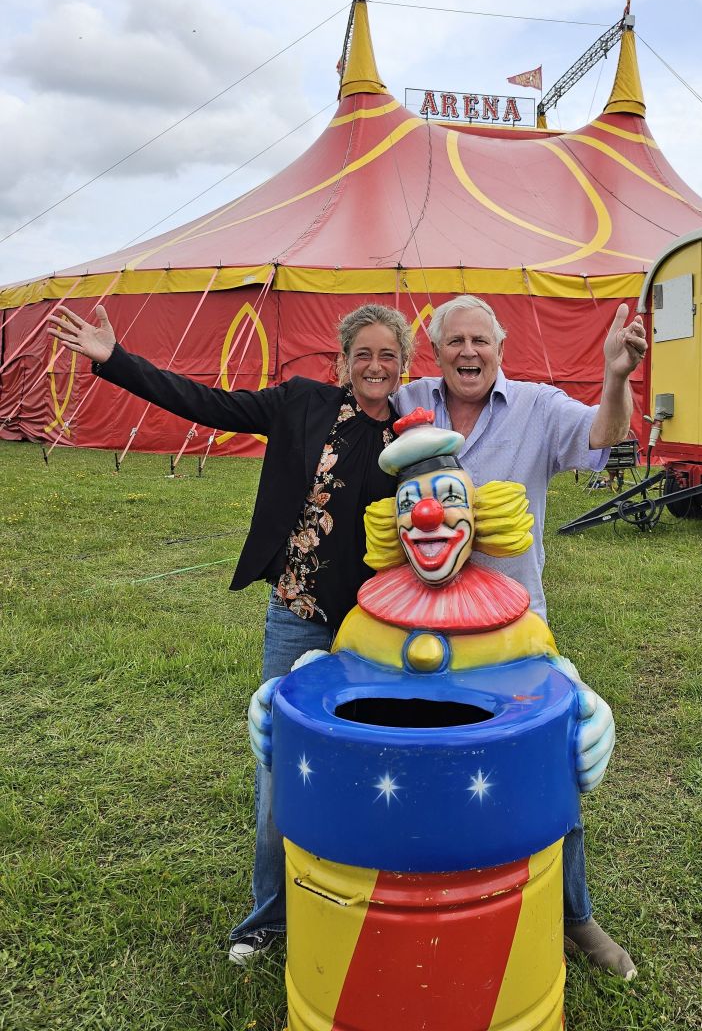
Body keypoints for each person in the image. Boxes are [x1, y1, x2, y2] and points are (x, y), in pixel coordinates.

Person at [46, 301, 414, 965]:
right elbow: (209, 404)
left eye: (388, 355)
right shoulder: (303, 404)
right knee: (279, 765)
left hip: (376, 632)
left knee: (373, 764)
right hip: (298, 619)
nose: (375, 366)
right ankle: (268, 919)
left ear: (405, 366)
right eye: (363, 353)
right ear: (342, 361)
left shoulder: (414, 440)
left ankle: (366, 903)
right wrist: (116, 362)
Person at [393, 294, 646, 978]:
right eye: (454, 343)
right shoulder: (404, 401)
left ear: (500, 347)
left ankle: (575, 916)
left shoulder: (536, 406)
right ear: (436, 352)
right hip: (414, 630)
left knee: (548, 765)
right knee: (417, 766)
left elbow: (603, 435)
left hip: (512, 628)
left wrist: (616, 377)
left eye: (480, 340)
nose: (468, 353)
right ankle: (418, 903)